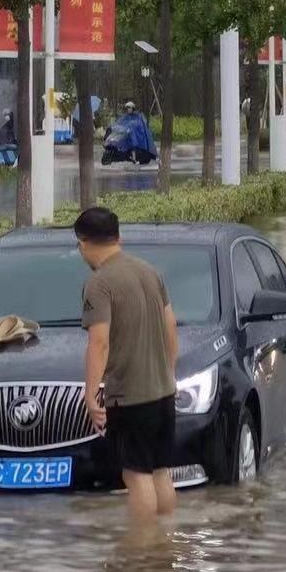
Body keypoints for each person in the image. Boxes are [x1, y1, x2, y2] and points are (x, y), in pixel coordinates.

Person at [75, 207, 181, 523]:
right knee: (160, 471)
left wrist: (91, 392)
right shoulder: (150, 271)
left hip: (129, 396)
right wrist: (168, 374)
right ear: (118, 237)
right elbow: (171, 327)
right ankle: (165, 544)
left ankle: (144, 551)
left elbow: (99, 342)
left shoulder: (99, 283)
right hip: (163, 393)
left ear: (82, 243)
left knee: (136, 476)